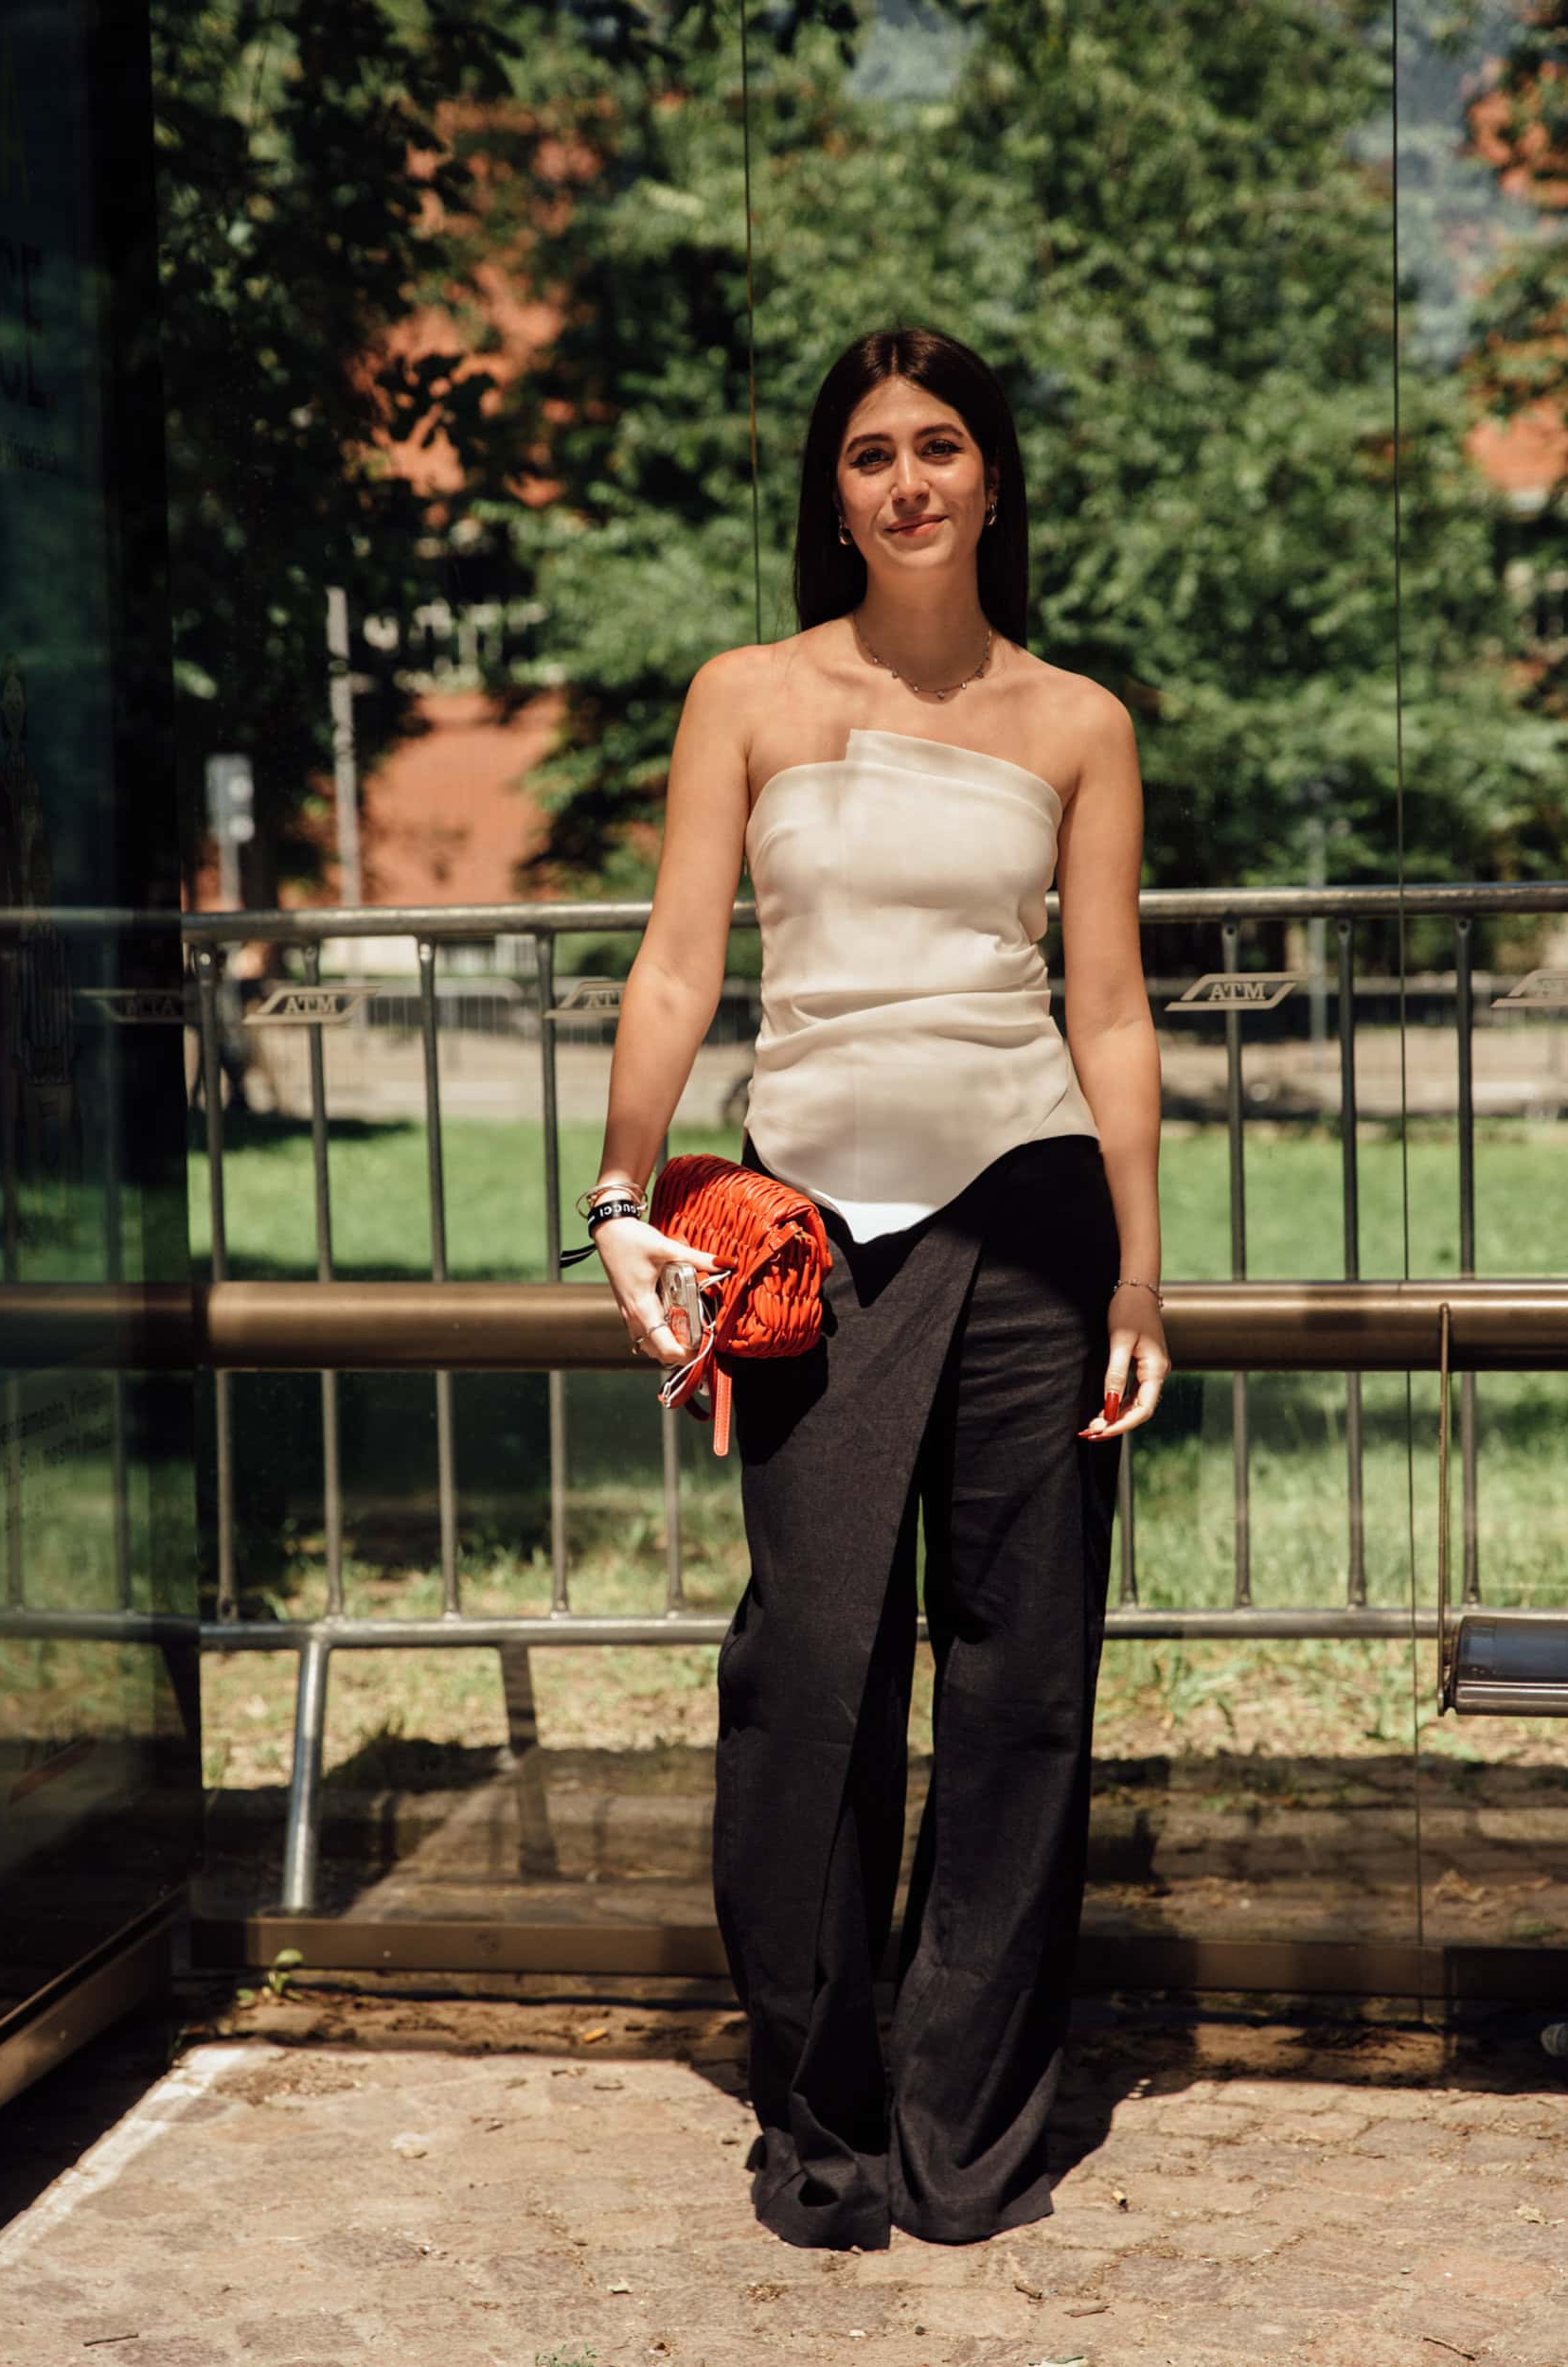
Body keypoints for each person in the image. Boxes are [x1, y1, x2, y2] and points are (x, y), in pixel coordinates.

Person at [580, 325, 1169, 2251]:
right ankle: (821, 2117)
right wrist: (616, 1196)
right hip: (812, 1228)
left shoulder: (1078, 720)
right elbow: (680, 962)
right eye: (868, 453)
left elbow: (1107, 1007)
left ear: (992, 477)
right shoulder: (746, 695)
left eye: (939, 445)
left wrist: (1141, 1274)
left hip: (1033, 1211)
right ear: (832, 495)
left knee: (1024, 1681)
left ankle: (966, 2132)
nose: (906, 479)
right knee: (813, 1667)